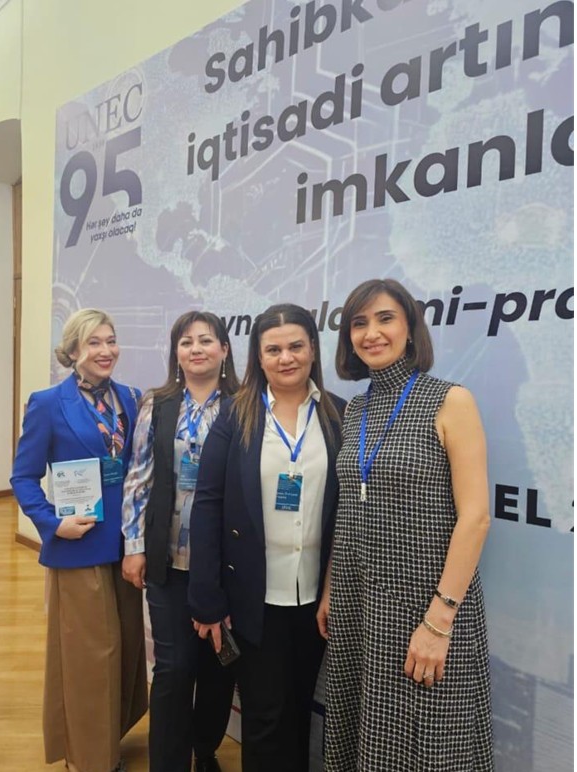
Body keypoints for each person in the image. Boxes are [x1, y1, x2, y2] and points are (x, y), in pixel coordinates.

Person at [317, 278, 494, 771]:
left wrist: (438, 622)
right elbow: (349, 509)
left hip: (425, 603)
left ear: (411, 329)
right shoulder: (356, 408)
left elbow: (476, 518)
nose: (371, 333)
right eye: (359, 323)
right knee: (364, 733)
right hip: (358, 601)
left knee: (427, 743)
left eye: (385, 319)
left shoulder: (451, 400)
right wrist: (331, 588)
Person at [188, 303, 345, 772]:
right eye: (273, 349)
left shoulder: (337, 414)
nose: (286, 358)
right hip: (253, 599)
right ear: (258, 357)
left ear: (313, 349)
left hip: (314, 599)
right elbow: (207, 505)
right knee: (264, 716)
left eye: (296, 346)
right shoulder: (235, 416)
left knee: (299, 710)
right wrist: (206, 598)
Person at [10, 308, 148, 772]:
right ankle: (90, 759)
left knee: (126, 650)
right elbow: (23, 477)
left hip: (126, 548)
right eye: (93, 343)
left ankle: (107, 738)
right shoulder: (48, 403)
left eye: (110, 340)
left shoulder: (132, 399)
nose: (106, 350)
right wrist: (52, 524)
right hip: (78, 545)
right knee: (91, 658)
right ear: (72, 351)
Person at [121, 311, 239, 772]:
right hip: (167, 559)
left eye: (206, 340)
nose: (196, 349)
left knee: (217, 667)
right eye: (186, 342)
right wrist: (134, 547)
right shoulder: (159, 403)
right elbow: (139, 478)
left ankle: (205, 751)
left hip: (225, 564)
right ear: (176, 352)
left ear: (224, 349)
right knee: (172, 669)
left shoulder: (245, 404)